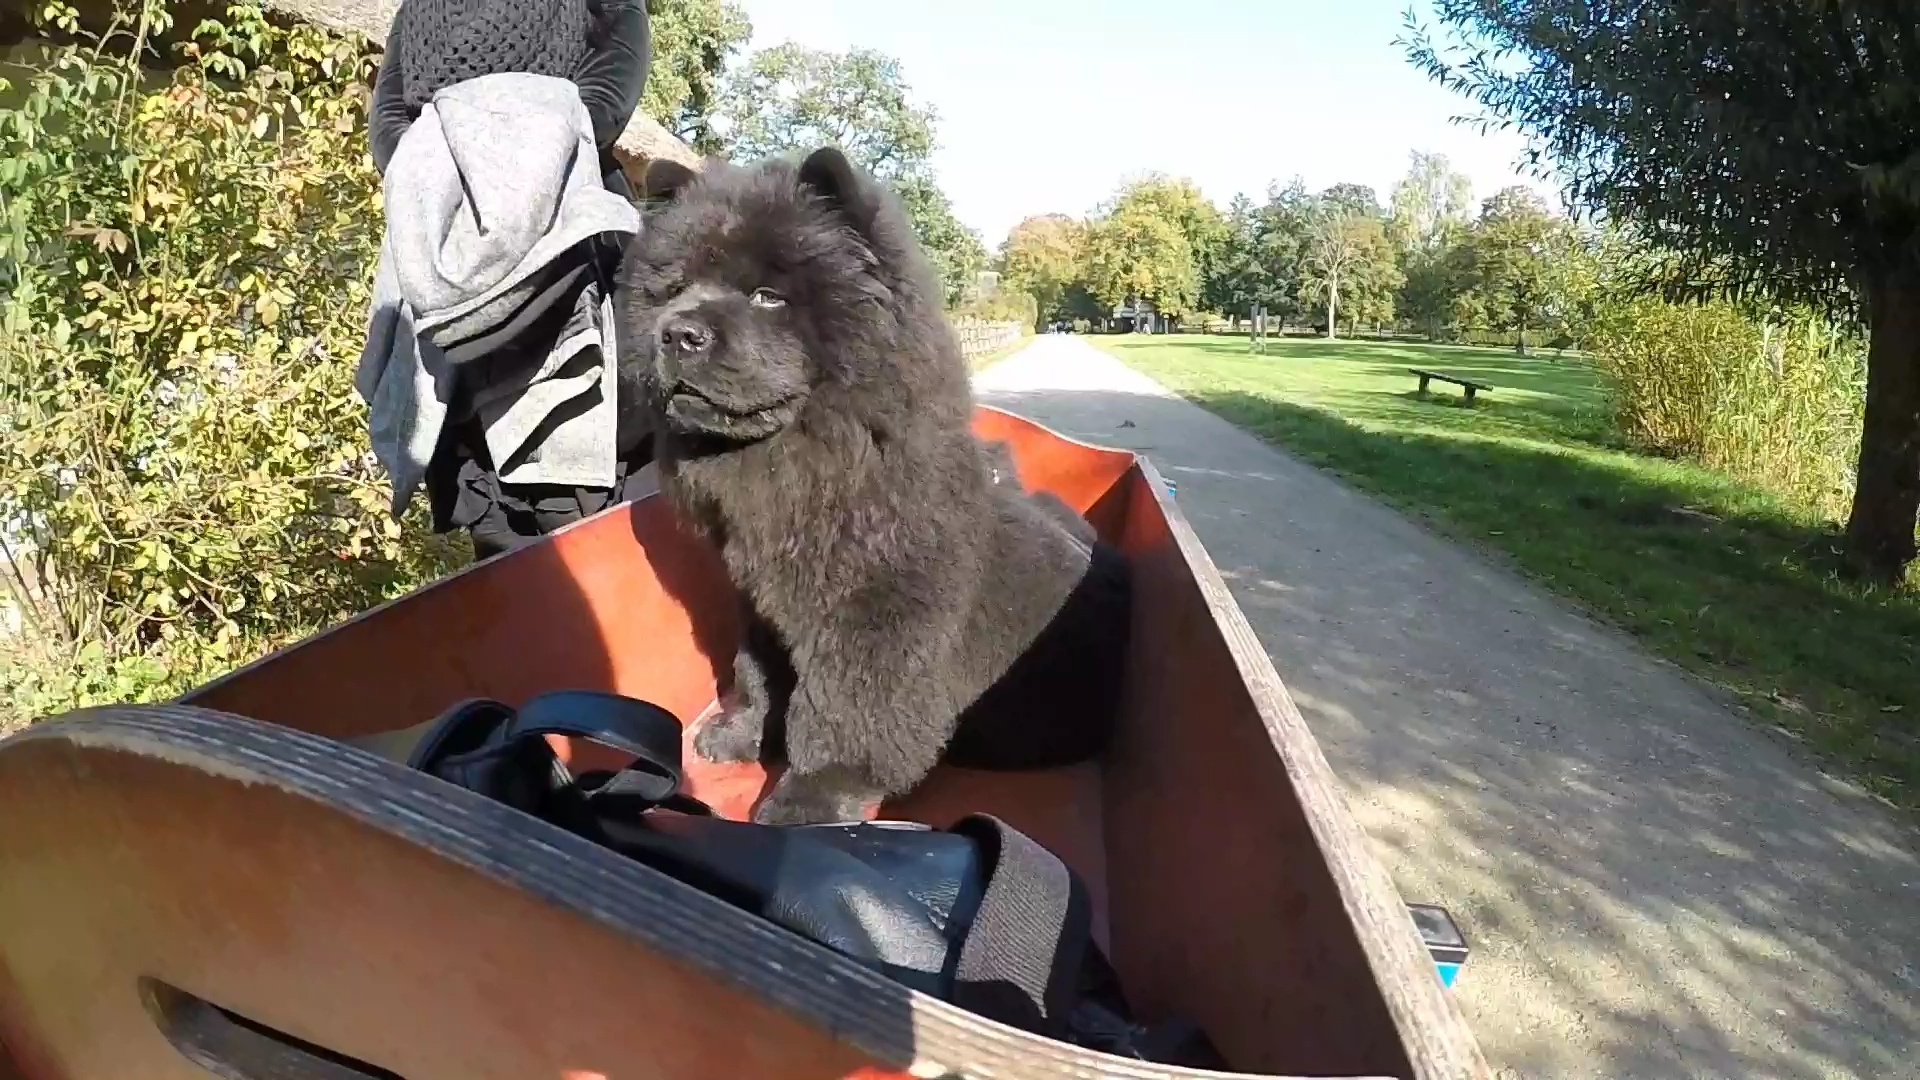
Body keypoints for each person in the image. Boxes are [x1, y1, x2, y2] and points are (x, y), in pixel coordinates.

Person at [357, 0, 658, 562]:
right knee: (494, 517)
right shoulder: (418, 7)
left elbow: (617, 63)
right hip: (443, 237)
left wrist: (539, 148)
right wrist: (430, 168)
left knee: (605, 481)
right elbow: (391, 107)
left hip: (572, 222)